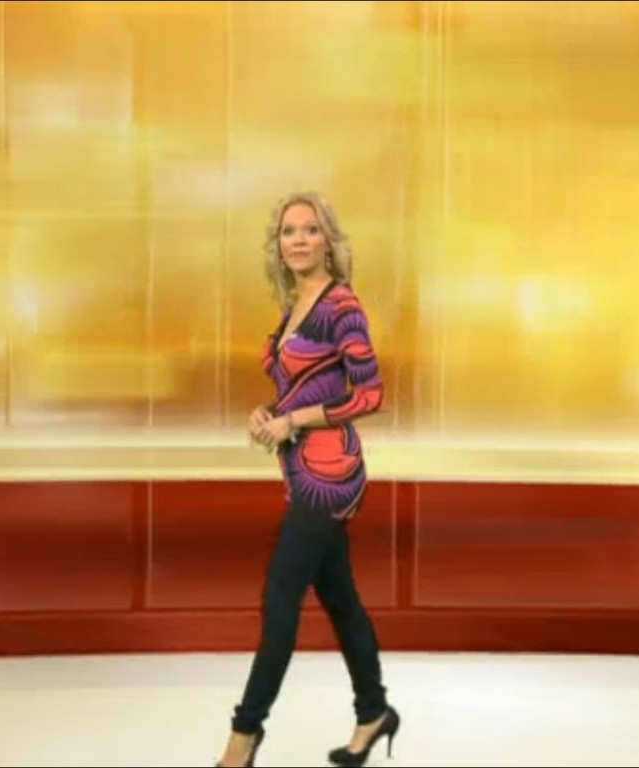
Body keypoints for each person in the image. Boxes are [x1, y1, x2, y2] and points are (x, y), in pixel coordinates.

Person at [214, 192, 400, 768]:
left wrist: (294, 421)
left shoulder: (341, 306)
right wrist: (270, 414)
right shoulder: (295, 305)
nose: (298, 240)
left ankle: (243, 738)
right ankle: (374, 710)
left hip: (330, 476)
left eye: (310, 229)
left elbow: (370, 394)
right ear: (278, 245)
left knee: (280, 601)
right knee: (339, 598)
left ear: (329, 242)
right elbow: (306, 386)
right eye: (288, 231)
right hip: (300, 470)